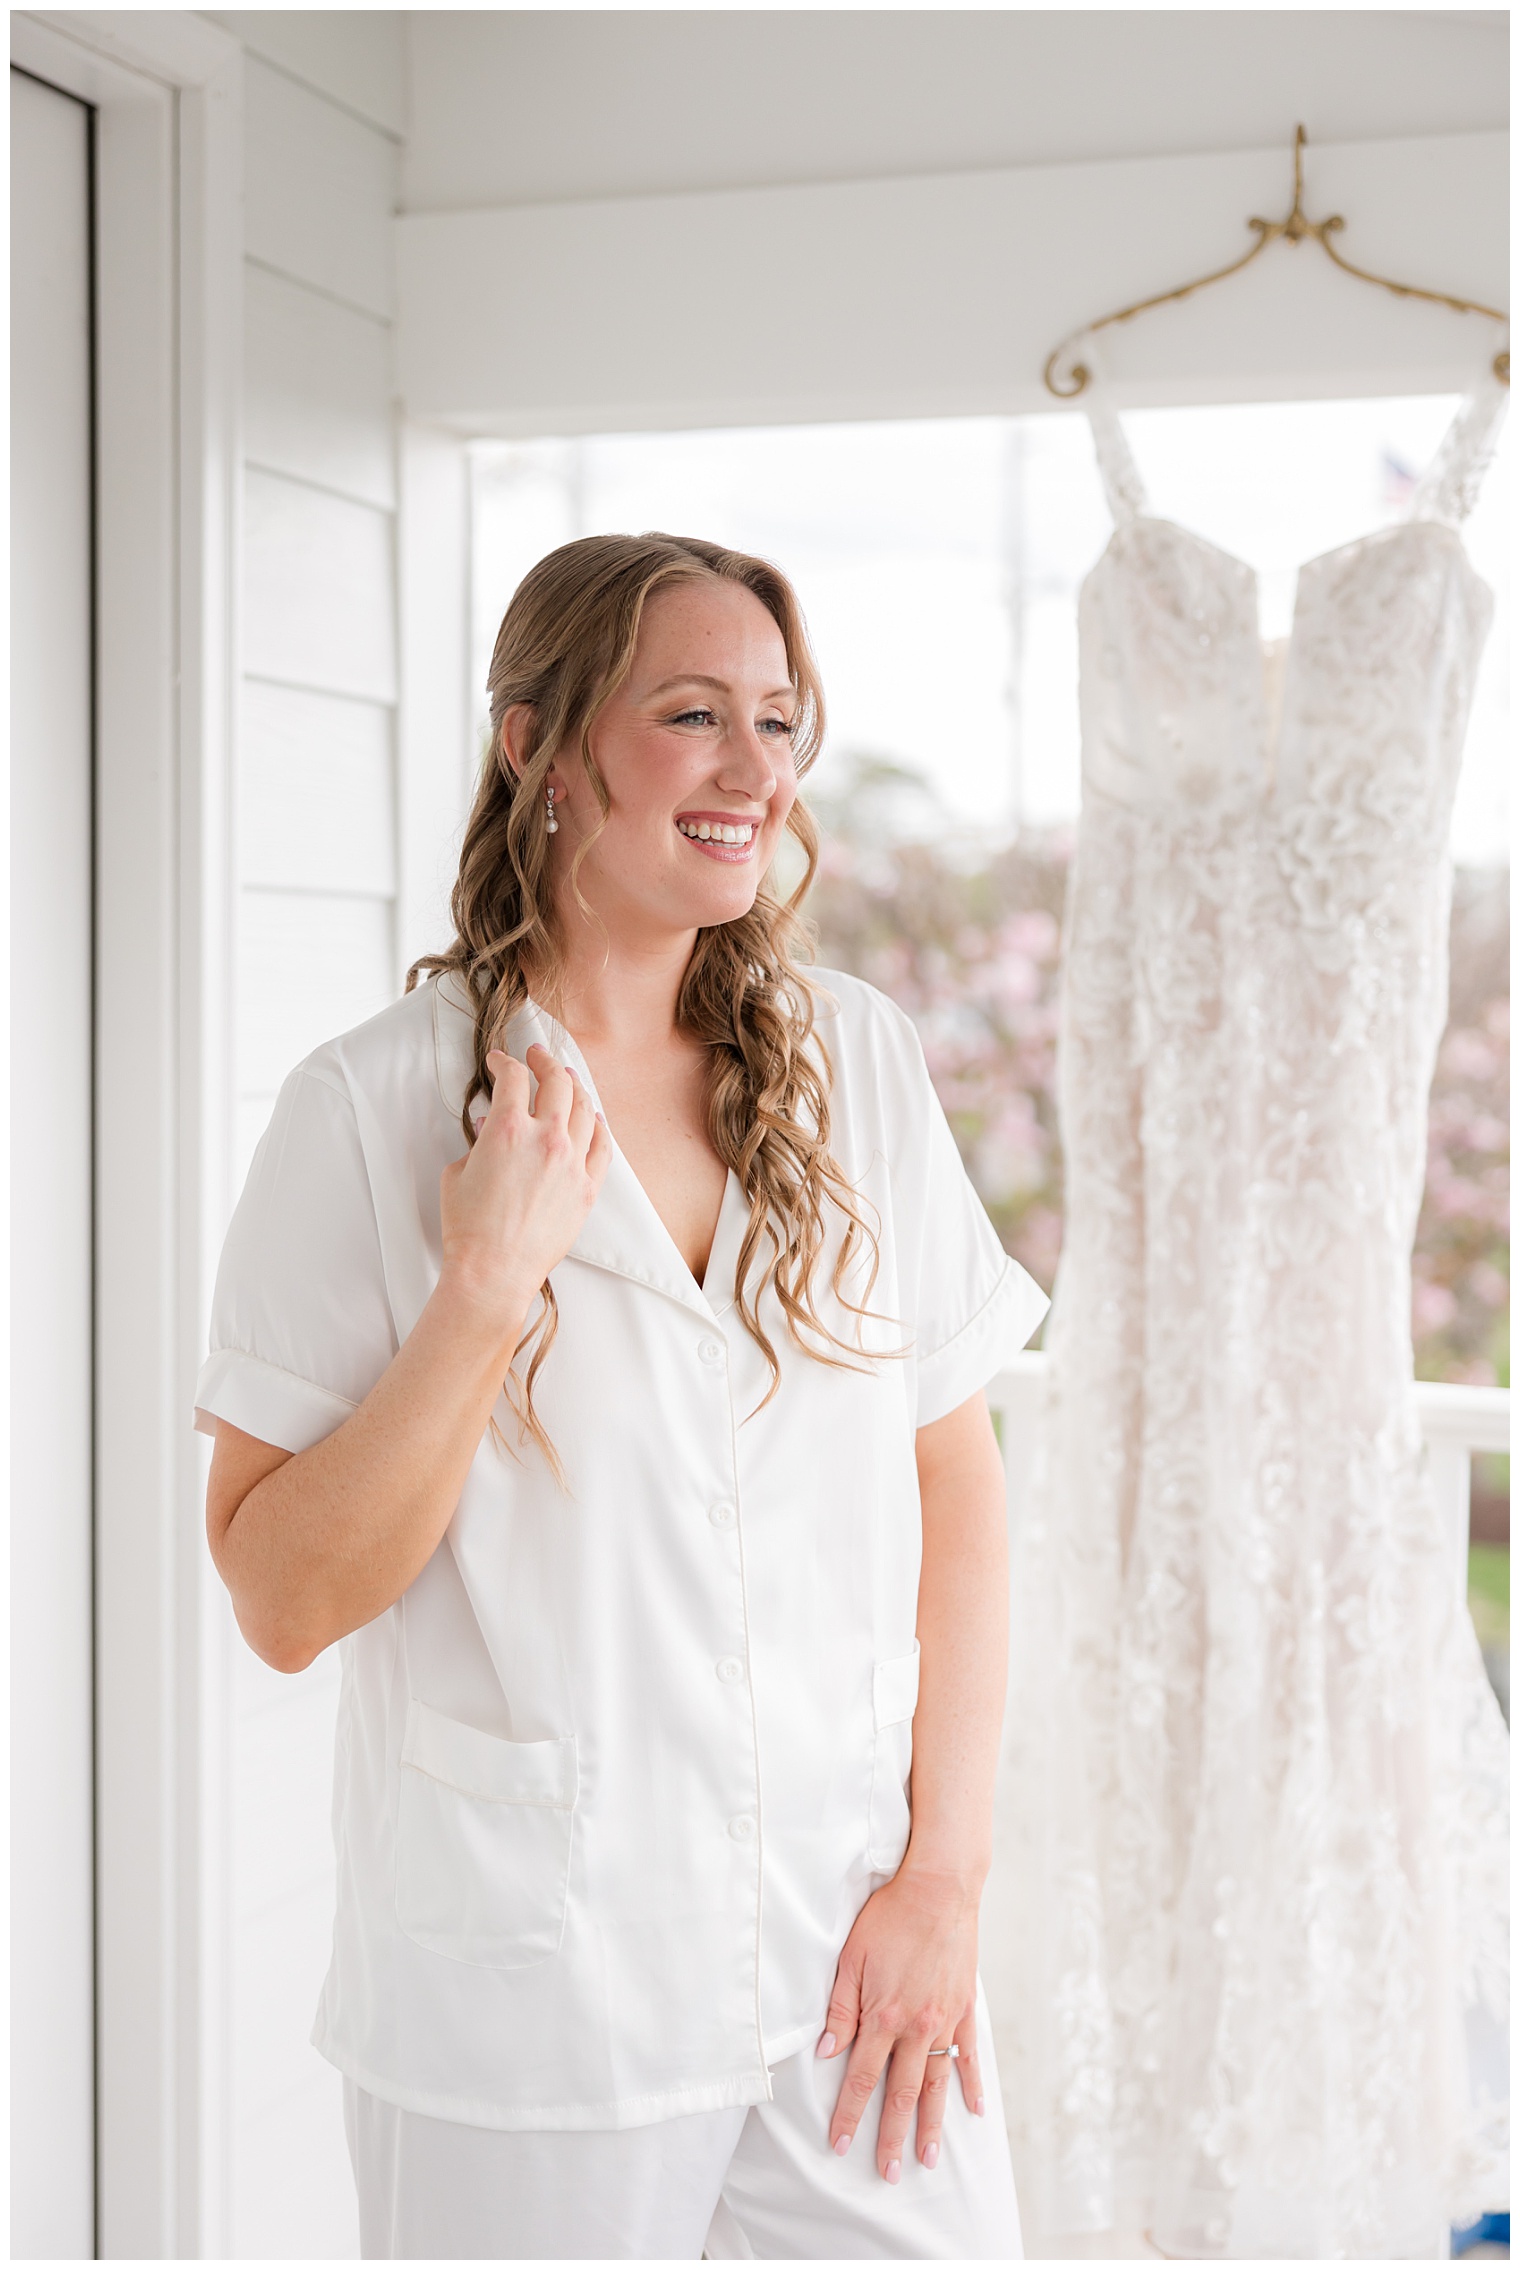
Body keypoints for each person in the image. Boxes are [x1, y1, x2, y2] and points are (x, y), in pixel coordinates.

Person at [199, 533, 1048, 2260]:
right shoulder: (369, 1110)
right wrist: (481, 1291)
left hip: (848, 1968)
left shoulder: (856, 1068)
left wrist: (943, 1876)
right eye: (693, 715)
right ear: (541, 744)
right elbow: (283, 1597)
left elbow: (954, 1484)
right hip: (533, 1997)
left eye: (779, 721)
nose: (756, 771)